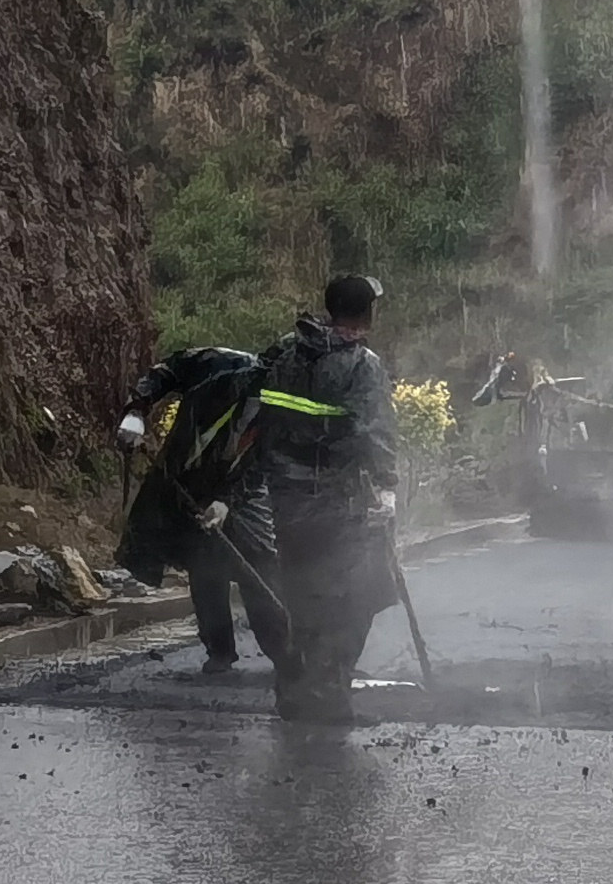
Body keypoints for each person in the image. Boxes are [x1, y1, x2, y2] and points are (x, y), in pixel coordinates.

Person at [250, 273, 401, 724]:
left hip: (286, 498)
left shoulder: (286, 350)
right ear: (367, 312)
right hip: (339, 499)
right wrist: (387, 487)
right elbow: (371, 431)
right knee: (353, 598)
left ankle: (293, 691)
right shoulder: (362, 364)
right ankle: (328, 697)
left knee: (300, 595)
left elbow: (258, 411)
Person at [113, 343, 285, 677]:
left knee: (260, 562)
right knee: (205, 562)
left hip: (243, 487)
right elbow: (166, 371)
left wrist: (228, 501)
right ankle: (219, 651)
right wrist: (136, 412)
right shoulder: (220, 365)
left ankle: (283, 651)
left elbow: (264, 463)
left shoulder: (287, 408)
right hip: (191, 473)